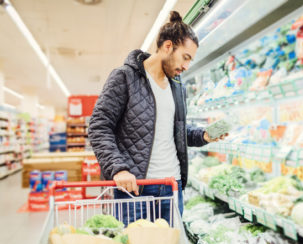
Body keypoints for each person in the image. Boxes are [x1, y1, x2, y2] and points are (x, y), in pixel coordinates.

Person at [88, 11, 227, 225]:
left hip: (172, 186)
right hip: (135, 188)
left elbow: (174, 131)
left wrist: (204, 135)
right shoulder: (125, 77)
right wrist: (118, 168)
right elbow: (99, 127)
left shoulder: (177, 87)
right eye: (185, 57)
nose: (186, 66)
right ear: (168, 46)